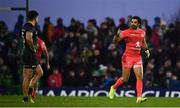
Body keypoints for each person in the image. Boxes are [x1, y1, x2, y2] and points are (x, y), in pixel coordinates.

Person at [108, 16, 150, 103]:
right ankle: (113, 87)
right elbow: (115, 41)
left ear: (138, 24)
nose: (133, 23)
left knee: (139, 77)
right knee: (125, 79)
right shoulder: (126, 32)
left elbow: (143, 41)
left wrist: (146, 50)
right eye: (132, 22)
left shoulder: (142, 32)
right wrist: (116, 35)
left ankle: (139, 97)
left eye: (135, 22)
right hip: (127, 57)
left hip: (137, 57)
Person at [21, 10, 43, 103]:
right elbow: (28, 38)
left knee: (39, 72)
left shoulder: (26, 26)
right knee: (28, 76)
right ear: (35, 17)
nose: (38, 19)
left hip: (28, 53)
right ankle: (25, 97)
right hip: (29, 53)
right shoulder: (30, 27)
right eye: (37, 17)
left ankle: (30, 87)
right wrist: (33, 48)